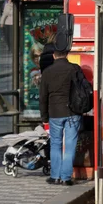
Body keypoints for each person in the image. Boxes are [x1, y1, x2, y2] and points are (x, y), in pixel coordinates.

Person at [39, 50, 82, 186]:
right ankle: (66, 178)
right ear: (66, 55)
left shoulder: (47, 72)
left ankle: (55, 176)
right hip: (72, 113)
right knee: (70, 145)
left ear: (54, 56)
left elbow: (43, 97)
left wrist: (44, 116)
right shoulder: (74, 69)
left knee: (55, 144)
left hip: (55, 113)